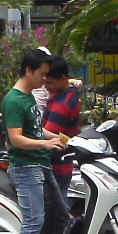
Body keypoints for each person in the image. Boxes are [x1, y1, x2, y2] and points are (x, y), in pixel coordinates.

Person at [3, 48, 66, 234]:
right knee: (33, 223)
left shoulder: (28, 97)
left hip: (41, 165)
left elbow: (37, 130)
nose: (45, 79)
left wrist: (60, 138)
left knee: (61, 213)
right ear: (29, 71)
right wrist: (46, 144)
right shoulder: (14, 101)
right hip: (26, 168)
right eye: (42, 74)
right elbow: (16, 139)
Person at [41, 56, 80, 198]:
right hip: (62, 166)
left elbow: (49, 137)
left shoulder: (62, 105)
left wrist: (27, 126)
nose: (46, 86)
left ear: (63, 78)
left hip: (55, 167)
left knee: (55, 208)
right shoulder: (68, 93)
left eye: (49, 83)